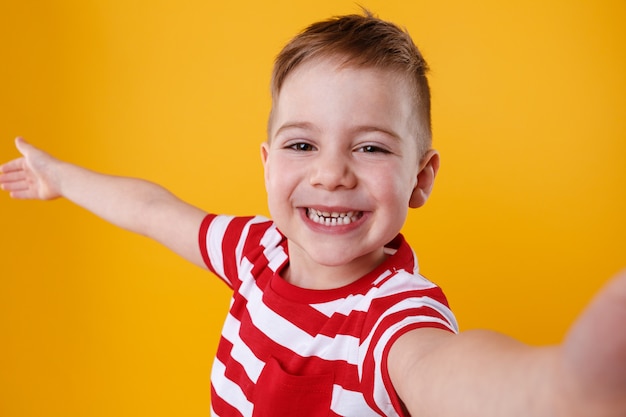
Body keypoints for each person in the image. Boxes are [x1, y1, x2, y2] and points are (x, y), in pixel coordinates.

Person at [1, 10, 625, 417]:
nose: (331, 173)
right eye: (303, 144)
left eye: (372, 146)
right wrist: (61, 178)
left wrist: (558, 391)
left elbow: (445, 371)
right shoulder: (255, 252)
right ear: (269, 165)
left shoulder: (394, 317)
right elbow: (152, 209)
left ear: (421, 178)